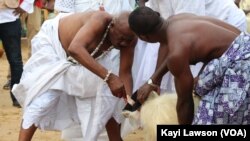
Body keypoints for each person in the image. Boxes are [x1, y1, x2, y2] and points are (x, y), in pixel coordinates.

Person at [12, 10, 137, 141]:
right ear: (111, 26)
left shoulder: (130, 39)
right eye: (121, 38)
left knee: (105, 99)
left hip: (83, 57)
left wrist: (127, 101)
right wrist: (109, 77)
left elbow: (125, 72)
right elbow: (75, 48)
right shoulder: (99, 20)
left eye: (128, 40)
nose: (123, 43)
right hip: (54, 46)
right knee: (45, 99)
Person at [128, 6, 250, 124]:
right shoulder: (176, 20)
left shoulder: (177, 52)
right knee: (200, 86)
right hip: (245, 45)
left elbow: (185, 102)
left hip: (243, 69)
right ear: (158, 15)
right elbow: (174, 52)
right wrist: (153, 80)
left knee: (207, 120)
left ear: (143, 37)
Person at [133, 0, 247, 94]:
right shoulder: (169, 28)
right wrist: (154, 81)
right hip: (206, 37)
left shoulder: (182, 34)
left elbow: (181, 42)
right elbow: (163, 35)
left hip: (229, 30)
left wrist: (154, 80)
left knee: (197, 88)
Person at [0, 0, 36, 107]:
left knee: (15, 60)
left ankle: (16, 97)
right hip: (10, 16)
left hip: (10, 17)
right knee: (15, 61)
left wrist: (26, 4)